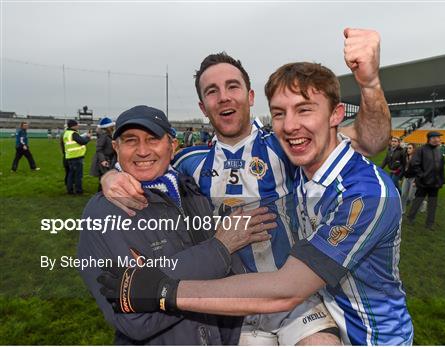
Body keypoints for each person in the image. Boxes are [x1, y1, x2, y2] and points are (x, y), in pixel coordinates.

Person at [99, 48, 413, 345]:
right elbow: (143, 160)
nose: (223, 97)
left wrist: (370, 83)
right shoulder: (188, 162)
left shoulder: (289, 144)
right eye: (211, 91)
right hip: (228, 302)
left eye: (232, 86)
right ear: (202, 107)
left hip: (295, 299)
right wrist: (111, 175)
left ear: (249, 97)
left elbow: (371, 140)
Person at [79, 105, 276, 345]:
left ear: (172, 146)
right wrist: (220, 247)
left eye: (153, 139)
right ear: (116, 147)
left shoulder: (188, 187)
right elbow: (135, 316)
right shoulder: (105, 212)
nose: (142, 151)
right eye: (131, 140)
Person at [407, 131, 445, 231]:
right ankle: (410, 218)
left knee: (432, 204)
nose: (438, 139)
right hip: (423, 183)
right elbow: (414, 164)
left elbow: (441, 167)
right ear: (431, 138)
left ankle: (430, 223)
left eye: (439, 137)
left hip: (435, 183)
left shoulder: (439, 150)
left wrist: (443, 180)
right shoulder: (421, 150)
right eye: (436, 137)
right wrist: (422, 176)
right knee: (418, 201)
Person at [63, 119, 91, 194]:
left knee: (71, 174)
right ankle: (79, 190)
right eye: (77, 125)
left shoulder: (66, 133)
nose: (78, 126)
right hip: (76, 156)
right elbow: (82, 142)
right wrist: (88, 137)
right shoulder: (73, 133)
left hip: (70, 156)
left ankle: (70, 190)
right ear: (74, 126)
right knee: (78, 175)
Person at [90, 117, 116, 191]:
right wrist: (103, 160)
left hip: (108, 159)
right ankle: (101, 196)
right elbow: (99, 149)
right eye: (112, 126)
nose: (113, 127)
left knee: (106, 178)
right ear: (109, 127)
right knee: (105, 179)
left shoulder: (108, 135)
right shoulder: (103, 136)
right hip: (104, 160)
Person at [400, 143, 417, 213]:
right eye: (407, 148)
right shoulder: (405, 157)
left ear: (414, 149)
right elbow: (403, 168)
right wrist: (401, 178)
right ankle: (402, 210)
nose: (408, 150)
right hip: (406, 178)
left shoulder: (417, 158)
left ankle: (422, 203)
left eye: (410, 148)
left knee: (411, 197)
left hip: (414, 179)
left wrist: (416, 181)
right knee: (403, 194)